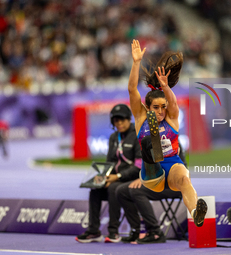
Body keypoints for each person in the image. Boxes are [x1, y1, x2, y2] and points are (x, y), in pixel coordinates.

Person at [127, 39, 207, 229]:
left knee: (184, 179)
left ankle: (195, 211)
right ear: (147, 107)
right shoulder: (141, 118)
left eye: (163, 107)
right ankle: (152, 148)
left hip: (171, 163)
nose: (161, 111)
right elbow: (132, 89)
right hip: (152, 172)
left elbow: (172, 104)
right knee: (148, 145)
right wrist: (137, 62)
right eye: (156, 108)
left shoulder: (172, 119)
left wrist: (166, 87)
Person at [76, 104, 142, 243]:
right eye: (116, 121)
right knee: (95, 189)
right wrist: (101, 177)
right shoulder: (113, 137)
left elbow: (139, 166)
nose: (119, 123)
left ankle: (113, 232)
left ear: (129, 119)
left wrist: (117, 177)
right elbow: (110, 162)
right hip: (114, 179)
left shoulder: (137, 135)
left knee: (113, 188)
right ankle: (94, 231)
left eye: (122, 120)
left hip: (132, 180)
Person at [116, 143, 187, 244]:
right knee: (122, 190)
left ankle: (155, 232)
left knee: (136, 190)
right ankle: (137, 231)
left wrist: (146, 179)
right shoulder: (150, 140)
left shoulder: (168, 141)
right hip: (157, 181)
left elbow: (169, 168)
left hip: (173, 183)